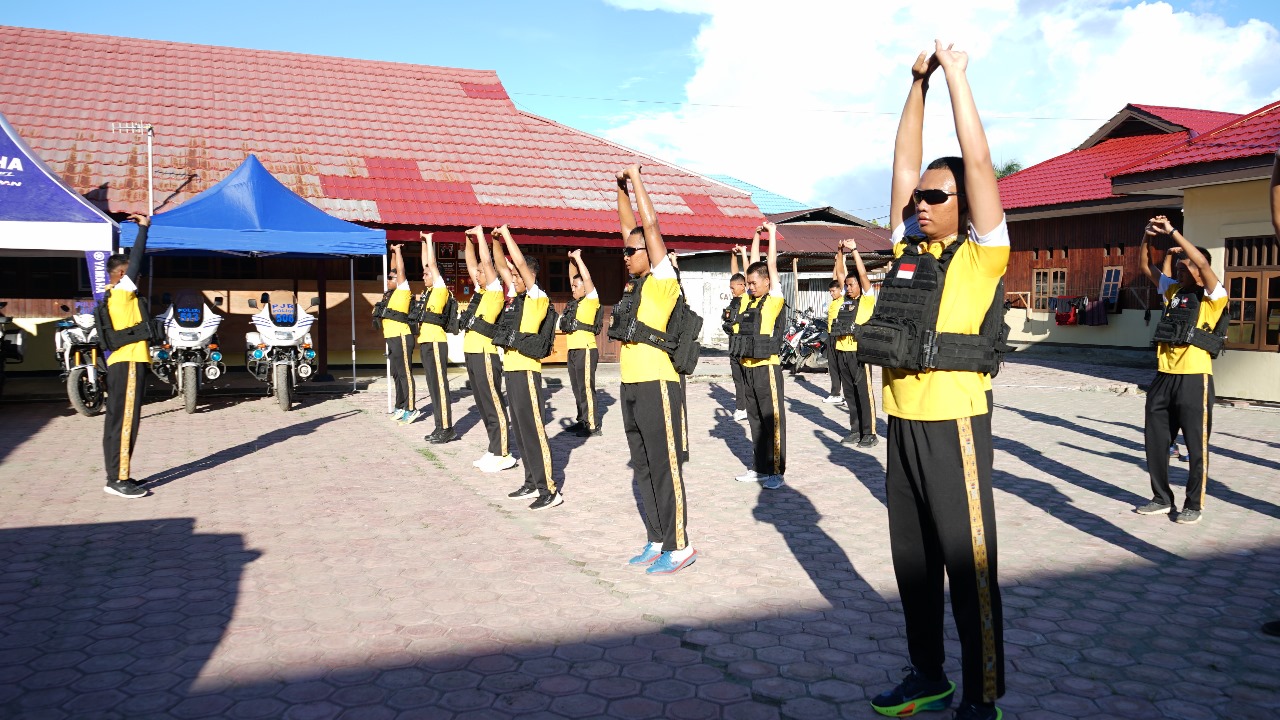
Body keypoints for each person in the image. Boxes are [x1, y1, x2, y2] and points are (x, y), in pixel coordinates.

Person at [867, 43, 1009, 720]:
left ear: (963, 206)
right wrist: (915, 84)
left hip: (954, 425)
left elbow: (976, 163)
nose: (920, 202)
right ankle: (928, 675)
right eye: (918, 196)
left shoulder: (982, 255)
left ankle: (982, 697)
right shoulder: (908, 251)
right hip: (902, 426)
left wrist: (953, 76)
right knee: (914, 569)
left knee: (968, 568)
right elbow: (901, 162)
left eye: (935, 195)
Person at [613, 163, 696, 575]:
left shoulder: (664, 279)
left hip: (658, 385)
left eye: (632, 251)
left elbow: (648, 224)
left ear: (651, 251)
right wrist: (619, 189)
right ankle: (657, 537)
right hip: (630, 384)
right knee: (643, 466)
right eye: (624, 252)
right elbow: (629, 225)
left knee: (664, 466)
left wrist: (637, 178)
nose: (625, 256)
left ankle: (679, 545)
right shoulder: (635, 283)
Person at [1134, 215, 1228, 524]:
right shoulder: (1174, 292)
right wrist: (1147, 237)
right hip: (1163, 377)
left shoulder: (1214, 297)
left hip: (1194, 379)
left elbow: (1200, 264)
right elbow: (1146, 267)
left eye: (1187, 264)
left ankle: (1194, 504)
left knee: (1196, 447)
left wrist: (1173, 232)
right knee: (1156, 442)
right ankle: (1161, 497)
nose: (1182, 266)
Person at [491, 226, 561, 510]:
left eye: (519, 276)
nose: (514, 278)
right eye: (514, 276)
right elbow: (501, 265)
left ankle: (549, 489)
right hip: (512, 370)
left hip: (529, 372)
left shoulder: (537, 297)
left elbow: (518, 264)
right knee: (520, 430)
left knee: (534, 430)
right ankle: (532, 482)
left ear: (530, 276)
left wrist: (507, 235)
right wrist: (494, 242)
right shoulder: (518, 299)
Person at [730, 222, 787, 490]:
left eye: (754, 283)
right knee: (754, 420)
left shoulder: (774, 299)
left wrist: (771, 234)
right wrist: (754, 235)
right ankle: (760, 468)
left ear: (767, 282)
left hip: (767, 368)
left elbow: (769, 264)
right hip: (748, 366)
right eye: (748, 283)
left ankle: (776, 471)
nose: (750, 286)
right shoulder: (747, 301)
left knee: (771, 420)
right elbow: (751, 265)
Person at [100, 213, 154, 499]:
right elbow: (136, 261)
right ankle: (119, 479)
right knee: (126, 422)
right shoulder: (121, 293)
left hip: (120, 363)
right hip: (130, 362)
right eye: (134, 275)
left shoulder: (110, 295)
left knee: (116, 420)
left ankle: (115, 475)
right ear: (122, 275)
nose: (139, 279)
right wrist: (143, 229)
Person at [461, 226, 516, 473]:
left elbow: (485, 260)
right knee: (482, 404)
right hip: (471, 353)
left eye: (482, 273)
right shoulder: (480, 292)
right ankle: (493, 449)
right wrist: (467, 241)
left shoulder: (494, 291)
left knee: (493, 403)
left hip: (485, 354)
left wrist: (481, 236)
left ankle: (503, 452)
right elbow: (473, 261)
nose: (477, 274)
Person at [828, 238, 878, 447]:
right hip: (841, 350)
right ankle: (855, 430)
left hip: (859, 353)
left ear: (860, 285)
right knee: (849, 393)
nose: (847, 288)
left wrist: (855, 250)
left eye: (851, 285)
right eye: (846, 285)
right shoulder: (844, 300)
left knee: (863, 393)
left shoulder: (867, 299)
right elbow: (840, 273)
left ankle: (870, 433)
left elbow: (863, 274)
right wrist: (840, 251)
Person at [417, 232, 456, 444]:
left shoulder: (441, 288)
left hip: (435, 342)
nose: (424, 275)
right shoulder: (430, 291)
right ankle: (439, 426)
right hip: (425, 342)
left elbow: (431, 263)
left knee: (440, 385)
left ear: (436, 275)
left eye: (427, 274)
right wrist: (423, 242)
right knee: (432, 386)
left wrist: (430, 240)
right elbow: (427, 263)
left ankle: (447, 428)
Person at [562, 249, 603, 437]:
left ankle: (592, 425)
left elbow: (586, 279)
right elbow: (574, 277)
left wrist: (579, 258)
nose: (573, 288)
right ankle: (582, 420)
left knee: (586, 388)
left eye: (576, 287)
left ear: (585, 288)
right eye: (572, 286)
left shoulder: (591, 300)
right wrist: (571, 260)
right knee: (577, 389)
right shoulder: (576, 303)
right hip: (573, 350)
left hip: (586, 350)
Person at [379, 244, 419, 424]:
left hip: (402, 336)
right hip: (392, 338)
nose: (387, 279)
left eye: (390, 278)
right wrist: (393, 251)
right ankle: (400, 405)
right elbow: (395, 269)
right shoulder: (391, 293)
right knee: (396, 373)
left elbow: (400, 271)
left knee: (405, 374)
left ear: (398, 280)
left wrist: (400, 252)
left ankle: (411, 408)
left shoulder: (403, 291)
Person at [723, 249, 750, 422]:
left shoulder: (748, 296)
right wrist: (733, 255)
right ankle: (741, 407)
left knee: (746, 378)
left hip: (744, 343)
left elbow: (746, 274)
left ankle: (747, 406)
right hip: (733, 343)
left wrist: (743, 254)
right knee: (737, 378)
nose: (732, 290)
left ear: (743, 286)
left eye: (734, 287)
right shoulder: (735, 299)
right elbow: (734, 273)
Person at [823, 274, 845, 405]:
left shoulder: (845, 299)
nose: (831, 293)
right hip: (831, 336)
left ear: (840, 289)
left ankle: (850, 396)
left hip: (840, 336)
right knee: (833, 366)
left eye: (833, 291)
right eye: (830, 291)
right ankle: (835, 393)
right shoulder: (833, 302)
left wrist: (840, 257)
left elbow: (840, 275)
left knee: (844, 366)